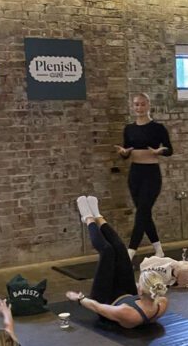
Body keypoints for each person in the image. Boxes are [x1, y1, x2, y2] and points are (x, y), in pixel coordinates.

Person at [66, 196, 168, 328]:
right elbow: (142, 292)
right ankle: (98, 216)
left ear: (141, 291)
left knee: (107, 251)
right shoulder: (162, 303)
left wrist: (79, 298)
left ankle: (88, 218)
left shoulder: (128, 313)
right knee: (120, 249)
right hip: (127, 294)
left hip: (105, 299)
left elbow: (97, 307)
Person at [114, 92, 173, 260]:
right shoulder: (129, 129)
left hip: (151, 174)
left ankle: (130, 252)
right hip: (135, 174)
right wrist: (124, 153)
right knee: (143, 213)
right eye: (136, 104)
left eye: (142, 104)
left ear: (148, 105)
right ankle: (159, 250)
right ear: (133, 107)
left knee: (142, 212)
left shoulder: (158, 128)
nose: (139, 107)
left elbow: (169, 149)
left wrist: (160, 151)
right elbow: (126, 152)